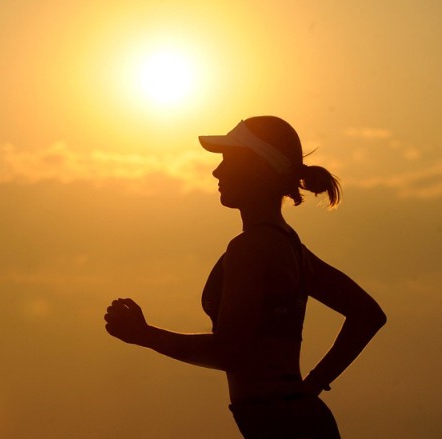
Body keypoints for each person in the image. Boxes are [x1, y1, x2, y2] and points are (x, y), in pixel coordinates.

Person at [104, 116, 387, 439]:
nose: (216, 171)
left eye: (228, 161)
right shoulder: (289, 245)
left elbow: (229, 352)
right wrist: (311, 386)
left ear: (259, 168)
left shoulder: (251, 248)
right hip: (295, 419)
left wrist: (145, 335)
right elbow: (367, 315)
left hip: (281, 424)